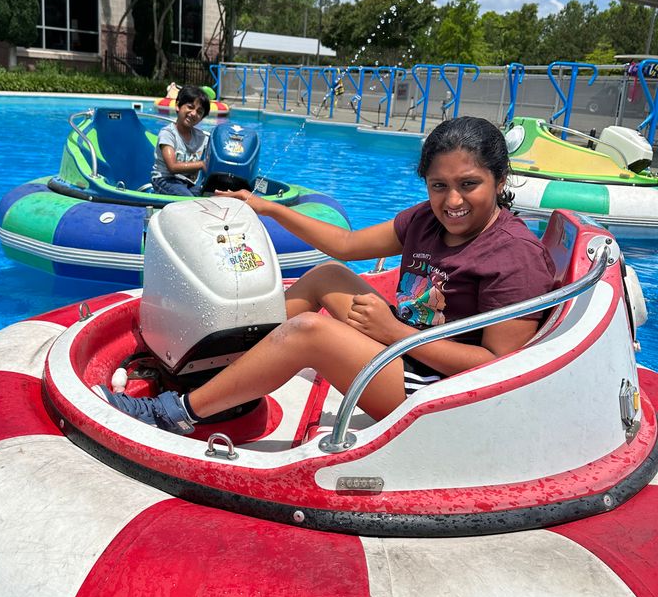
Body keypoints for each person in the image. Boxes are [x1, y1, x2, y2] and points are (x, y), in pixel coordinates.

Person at [97, 116, 557, 434]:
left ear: (499, 180)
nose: (452, 200)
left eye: (468, 184)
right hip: (405, 347)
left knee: (310, 333)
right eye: (439, 186)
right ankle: (232, 372)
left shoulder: (513, 255)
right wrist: (267, 208)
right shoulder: (425, 220)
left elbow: (498, 371)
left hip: (439, 391)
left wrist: (393, 331)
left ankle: (176, 413)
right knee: (326, 275)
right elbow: (345, 246)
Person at [151, 85, 211, 197]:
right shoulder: (168, 134)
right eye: (190, 107)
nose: (193, 113)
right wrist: (201, 164)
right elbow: (172, 167)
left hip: (186, 183)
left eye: (199, 112)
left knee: (209, 197)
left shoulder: (202, 137)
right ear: (178, 106)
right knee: (189, 202)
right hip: (164, 180)